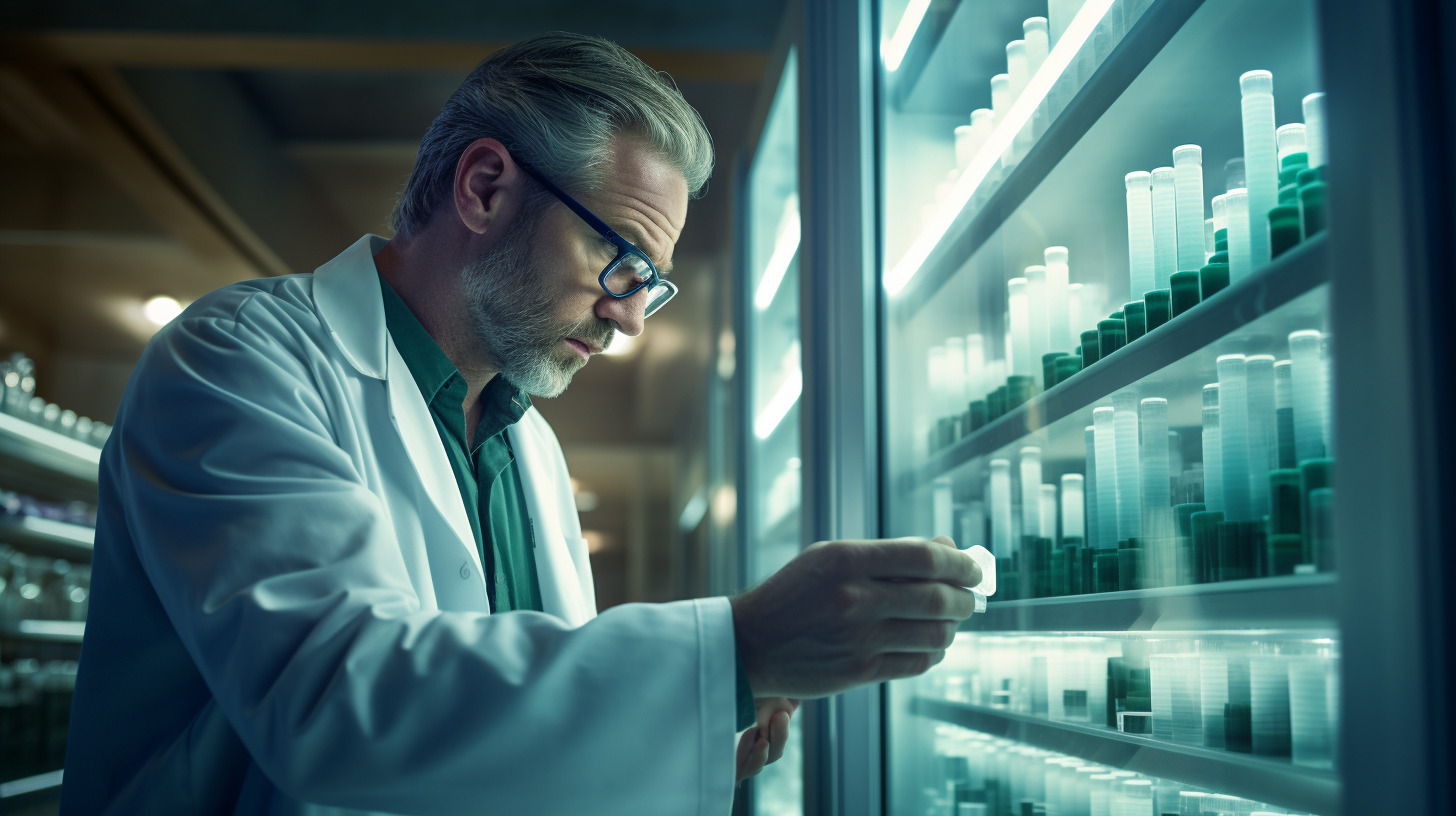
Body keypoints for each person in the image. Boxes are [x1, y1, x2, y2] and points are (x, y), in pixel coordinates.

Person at [60, 33, 982, 816]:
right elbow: (335, 700)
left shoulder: (524, 440)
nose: (629, 319)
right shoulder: (236, 361)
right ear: (487, 188)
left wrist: (679, 727)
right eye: (619, 260)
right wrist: (735, 648)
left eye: (649, 285)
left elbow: (477, 735)